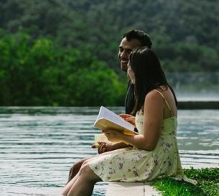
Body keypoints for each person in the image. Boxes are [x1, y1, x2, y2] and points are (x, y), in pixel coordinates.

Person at [61, 47, 194, 196]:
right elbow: (159, 126)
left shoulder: (153, 96)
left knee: (87, 170)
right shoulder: (161, 89)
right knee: (85, 165)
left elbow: (149, 143)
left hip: (155, 161)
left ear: (138, 69)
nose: (128, 70)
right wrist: (136, 121)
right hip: (159, 155)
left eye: (130, 66)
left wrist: (119, 135)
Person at [67, 30, 152, 182]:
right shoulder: (133, 83)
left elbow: (148, 136)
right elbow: (138, 127)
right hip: (133, 145)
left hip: (142, 153)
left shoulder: (148, 90)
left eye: (129, 51)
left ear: (142, 55)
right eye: (121, 50)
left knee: (80, 167)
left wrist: (113, 145)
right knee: (75, 167)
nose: (122, 55)